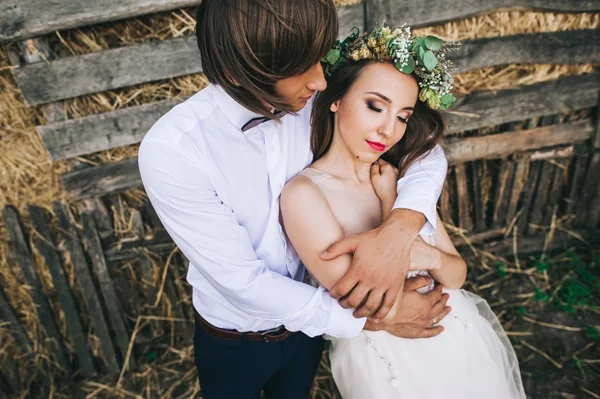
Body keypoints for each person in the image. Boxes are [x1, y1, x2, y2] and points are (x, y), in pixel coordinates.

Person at [137, 1, 450, 397]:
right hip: (235, 341)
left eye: (318, 58)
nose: (320, 80)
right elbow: (243, 281)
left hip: (312, 331)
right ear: (240, 74)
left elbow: (426, 150)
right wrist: (376, 319)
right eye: (301, 67)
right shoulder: (174, 151)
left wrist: (399, 229)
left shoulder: (319, 98)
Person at [281, 25, 526, 398]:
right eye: (375, 106)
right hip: (388, 361)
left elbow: (457, 275)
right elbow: (369, 305)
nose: (388, 128)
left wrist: (421, 249)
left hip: (456, 336)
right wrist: (386, 206)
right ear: (336, 99)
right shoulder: (306, 194)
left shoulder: (403, 181)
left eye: (402, 116)